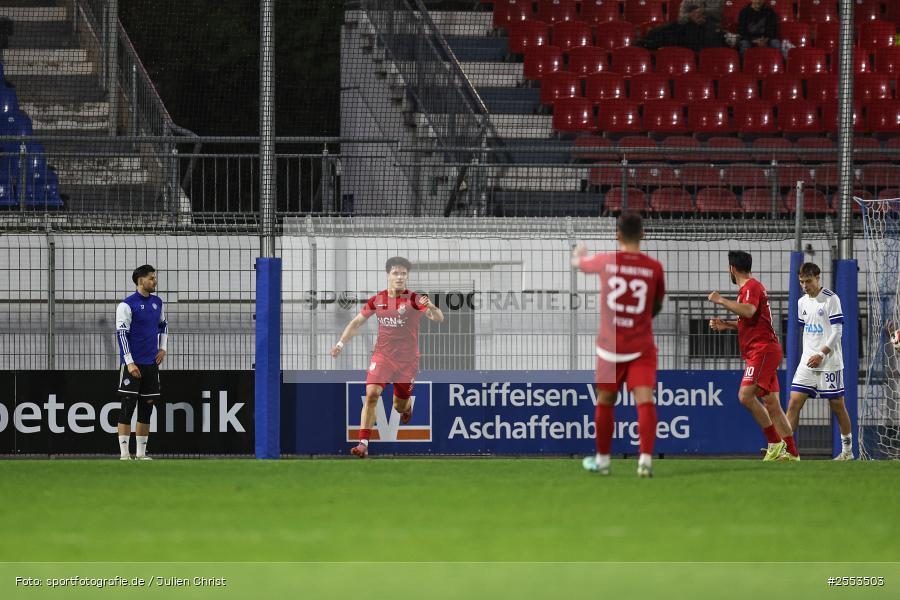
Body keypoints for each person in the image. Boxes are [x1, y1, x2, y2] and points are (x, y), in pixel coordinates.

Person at [573, 212, 666, 477]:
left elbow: (578, 263)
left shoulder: (606, 261)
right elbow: (656, 303)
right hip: (641, 346)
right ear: (643, 234)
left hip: (609, 346)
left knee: (605, 400)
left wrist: (579, 254)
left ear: (617, 235)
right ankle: (645, 461)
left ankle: (603, 462)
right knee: (644, 399)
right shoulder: (653, 267)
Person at [330, 256, 444, 458]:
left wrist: (433, 307)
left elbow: (438, 318)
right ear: (388, 275)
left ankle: (406, 407)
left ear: (407, 276)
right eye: (395, 273)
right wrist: (340, 344)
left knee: (398, 406)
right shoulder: (378, 299)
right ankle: (363, 443)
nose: (400, 277)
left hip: (407, 361)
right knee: (372, 394)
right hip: (382, 356)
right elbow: (356, 322)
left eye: (403, 274)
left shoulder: (415, 299)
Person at [708, 251, 798, 461]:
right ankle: (792, 453)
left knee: (745, 396)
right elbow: (751, 319)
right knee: (772, 404)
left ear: (732, 269)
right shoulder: (749, 288)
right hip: (764, 350)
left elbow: (748, 311)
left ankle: (775, 443)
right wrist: (727, 324)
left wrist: (720, 300)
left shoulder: (750, 287)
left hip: (763, 351)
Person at [786, 263, 854, 460]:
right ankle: (789, 452)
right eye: (801, 282)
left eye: (808, 281)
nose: (805, 285)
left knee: (837, 405)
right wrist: (810, 354)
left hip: (829, 362)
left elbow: (837, 332)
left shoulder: (831, 299)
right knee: (794, 403)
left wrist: (821, 354)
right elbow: (806, 330)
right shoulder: (801, 303)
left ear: (817, 278)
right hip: (807, 363)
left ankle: (847, 452)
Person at [115, 265, 168, 460]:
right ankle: (124, 454)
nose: (155, 281)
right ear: (140, 281)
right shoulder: (127, 305)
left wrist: (163, 348)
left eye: (155, 278)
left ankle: (141, 454)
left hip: (150, 364)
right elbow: (121, 334)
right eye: (151, 278)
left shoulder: (158, 303)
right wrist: (129, 362)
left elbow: (163, 325)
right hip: (133, 364)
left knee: (147, 407)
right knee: (127, 406)